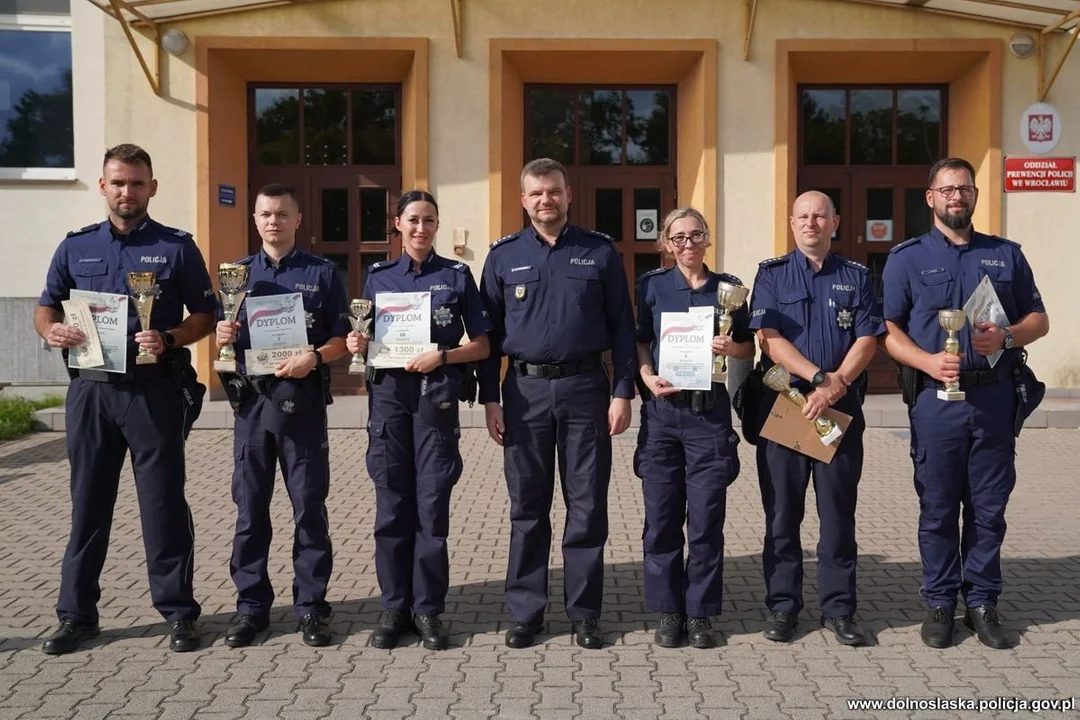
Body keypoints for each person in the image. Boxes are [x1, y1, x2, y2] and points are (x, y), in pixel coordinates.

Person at [35, 143, 217, 654]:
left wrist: (173, 339)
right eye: (118, 182)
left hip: (153, 392)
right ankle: (76, 616)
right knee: (87, 505)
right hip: (91, 392)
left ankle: (179, 613)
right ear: (102, 186)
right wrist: (52, 332)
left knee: (162, 504)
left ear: (152, 188)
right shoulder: (75, 247)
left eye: (136, 182)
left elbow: (204, 313)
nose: (126, 191)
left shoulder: (177, 247)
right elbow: (45, 307)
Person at [881, 157, 1049, 650]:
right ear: (930, 197)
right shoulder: (906, 258)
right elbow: (888, 329)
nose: (957, 196)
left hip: (994, 399)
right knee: (936, 509)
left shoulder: (1005, 255)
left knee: (988, 509)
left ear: (975, 196)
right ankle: (939, 602)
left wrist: (1007, 336)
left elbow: (1038, 319)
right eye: (947, 189)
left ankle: (982, 601)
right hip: (936, 401)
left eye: (965, 188)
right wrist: (927, 363)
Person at [478, 158, 636, 650]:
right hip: (522, 394)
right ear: (523, 200)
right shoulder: (502, 257)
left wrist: (622, 391)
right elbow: (488, 337)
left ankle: (584, 611)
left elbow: (624, 327)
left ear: (569, 195)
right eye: (536, 194)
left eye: (554, 192)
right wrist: (489, 398)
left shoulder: (600, 252)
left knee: (586, 506)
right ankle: (527, 612)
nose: (546, 200)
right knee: (527, 508)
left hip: (586, 389)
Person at [347, 190, 491, 651]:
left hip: (436, 401)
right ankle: (394, 608)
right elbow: (365, 339)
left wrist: (443, 355)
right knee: (392, 508)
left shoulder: (456, 275)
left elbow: (484, 345)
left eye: (429, 220)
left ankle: (428, 610)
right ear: (397, 224)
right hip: (389, 403)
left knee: (431, 507)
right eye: (412, 220)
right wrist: (356, 345)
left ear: (436, 225)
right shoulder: (378, 278)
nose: (420, 228)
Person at [214, 184, 349, 648]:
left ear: (297, 220)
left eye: (282, 214)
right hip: (251, 406)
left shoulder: (323, 273)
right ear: (255, 220)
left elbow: (341, 340)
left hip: (303, 405)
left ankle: (311, 607)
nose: (274, 221)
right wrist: (221, 336)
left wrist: (314, 356)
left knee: (309, 509)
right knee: (250, 511)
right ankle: (252, 609)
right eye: (266, 214)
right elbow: (225, 348)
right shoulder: (236, 276)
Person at [748, 190, 882, 647]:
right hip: (788, 405)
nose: (811, 223)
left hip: (840, 410)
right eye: (803, 216)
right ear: (792, 223)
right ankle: (783, 606)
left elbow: (867, 339)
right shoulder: (771, 275)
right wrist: (819, 378)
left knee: (838, 516)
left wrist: (836, 385)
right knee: (783, 515)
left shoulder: (857, 277)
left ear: (835, 222)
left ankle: (839, 609)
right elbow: (769, 339)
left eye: (820, 216)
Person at [634, 207, 754, 649]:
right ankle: (669, 610)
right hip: (664, 415)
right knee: (662, 518)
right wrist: (646, 378)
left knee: (705, 521)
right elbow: (641, 341)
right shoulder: (651, 286)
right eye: (678, 237)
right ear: (666, 243)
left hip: (709, 415)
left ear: (707, 239)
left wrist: (732, 345)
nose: (688, 244)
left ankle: (701, 612)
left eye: (696, 235)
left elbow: (748, 348)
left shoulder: (729, 289)